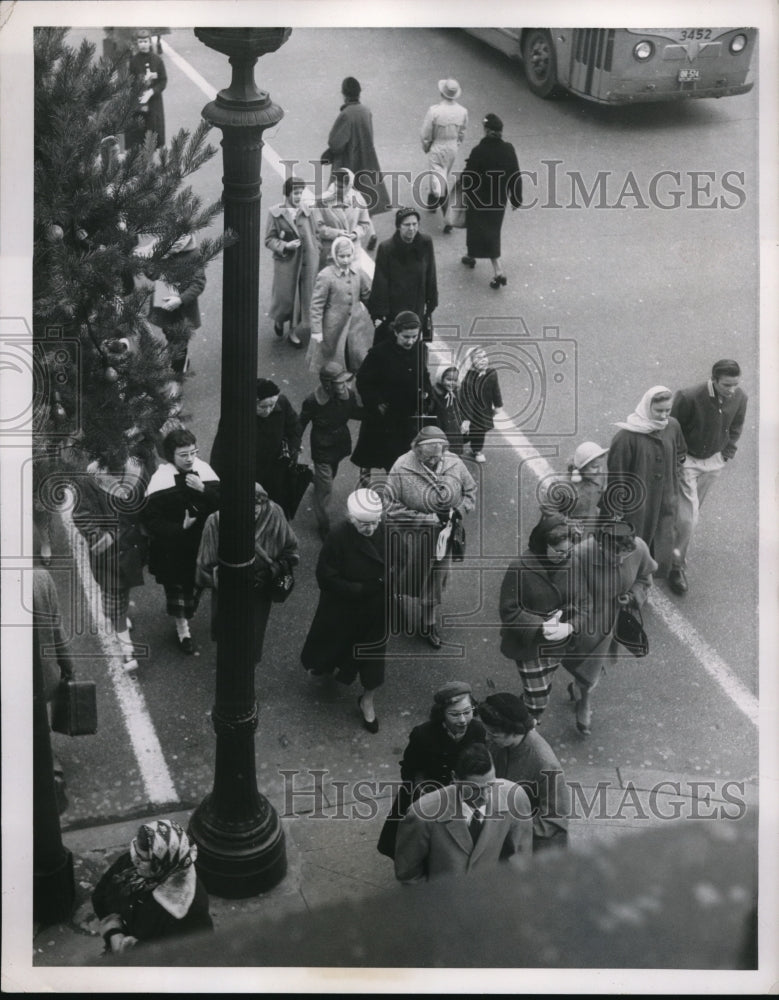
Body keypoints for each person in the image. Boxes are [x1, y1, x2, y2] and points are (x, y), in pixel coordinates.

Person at [300, 488, 387, 732]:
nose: (370, 528)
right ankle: (325, 665)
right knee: (333, 644)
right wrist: (359, 589)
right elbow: (325, 576)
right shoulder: (338, 536)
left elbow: (401, 559)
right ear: (351, 518)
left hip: (375, 608)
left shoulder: (385, 530)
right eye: (363, 524)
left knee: (372, 658)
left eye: (373, 523)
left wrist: (386, 581)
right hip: (343, 606)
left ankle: (367, 700)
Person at [385, 425, 477, 648]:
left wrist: (459, 511)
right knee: (404, 573)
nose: (434, 462)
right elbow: (389, 506)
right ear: (416, 451)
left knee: (435, 579)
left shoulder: (454, 462)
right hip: (411, 538)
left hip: (443, 538)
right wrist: (427, 519)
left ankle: (428, 623)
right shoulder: (401, 467)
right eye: (428, 458)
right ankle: (392, 598)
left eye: (438, 457)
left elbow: (470, 491)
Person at [563, 520, 657, 736]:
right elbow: (572, 594)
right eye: (614, 555)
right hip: (588, 619)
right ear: (600, 545)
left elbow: (644, 578)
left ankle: (581, 694)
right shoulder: (579, 556)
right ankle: (583, 697)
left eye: (625, 555)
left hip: (616, 616)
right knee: (586, 664)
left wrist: (633, 595)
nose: (620, 560)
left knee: (593, 667)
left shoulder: (639, 548)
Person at [376, 681, 487, 859]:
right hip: (426, 797)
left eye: (467, 712)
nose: (463, 720)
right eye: (455, 714)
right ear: (441, 713)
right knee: (415, 845)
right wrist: (422, 792)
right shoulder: (422, 734)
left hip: (462, 799)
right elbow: (409, 769)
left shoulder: (479, 731)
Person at [394, 743, 533, 883]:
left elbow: (521, 855)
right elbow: (408, 873)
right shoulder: (422, 813)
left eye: (490, 785)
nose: (484, 797)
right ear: (455, 778)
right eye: (475, 789)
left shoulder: (515, 797)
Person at [196, 483, 299, 665]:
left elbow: (291, 550)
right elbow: (206, 566)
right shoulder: (216, 521)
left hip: (260, 589)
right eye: (245, 507)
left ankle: (246, 673)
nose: (253, 511)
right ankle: (229, 666)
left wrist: (271, 571)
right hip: (228, 590)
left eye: (257, 506)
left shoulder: (275, 513)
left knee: (253, 637)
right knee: (228, 634)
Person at [669, 360, 748, 595]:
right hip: (689, 462)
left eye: (735, 384)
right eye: (726, 385)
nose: (732, 390)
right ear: (713, 379)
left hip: (714, 462)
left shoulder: (740, 397)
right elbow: (673, 427)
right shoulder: (689, 396)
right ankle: (676, 566)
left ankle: (667, 536)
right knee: (688, 519)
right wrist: (680, 458)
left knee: (690, 513)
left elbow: (736, 426)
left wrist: (726, 454)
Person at [142, 428, 220, 654]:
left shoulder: (204, 472)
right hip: (173, 549)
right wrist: (179, 527)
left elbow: (224, 503)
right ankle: (182, 629)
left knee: (197, 587)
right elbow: (151, 521)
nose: (190, 459)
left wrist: (204, 489)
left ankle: (185, 616)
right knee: (177, 590)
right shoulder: (160, 481)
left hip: (203, 545)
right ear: (170, 455)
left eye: (193, 452)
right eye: (183, 455)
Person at [498, 513, 578, 722]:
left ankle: (519, 711)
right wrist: (540, 625)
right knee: (539, 700)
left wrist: (568, 624)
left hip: (558, 641)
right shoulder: (519, 568)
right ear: (543, 546)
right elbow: (509, 610)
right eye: (559, 551)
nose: (565, 556)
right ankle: (525, 728)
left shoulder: (573, 564)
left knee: (541, 687)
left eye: (568, 551)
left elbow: (584, 602)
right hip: (528, 643)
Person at [71, 457, 149, 671]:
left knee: (124, 590)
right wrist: (103, 538)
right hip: (110, 553)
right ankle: (127, 649)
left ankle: (121, 617)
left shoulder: (136, 468)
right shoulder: (89, 480)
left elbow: (146, 502)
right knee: (114, 600)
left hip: (134, 546)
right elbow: (82, 515)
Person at [601, 385, 686, 577]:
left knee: (663, 539)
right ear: (647, 407)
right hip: (638, 504)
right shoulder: (626, 437)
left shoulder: (672, 426)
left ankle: (654, 574)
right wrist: (617, 510)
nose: (664, 416)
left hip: (665, 499)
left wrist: (672, 479)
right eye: (659, 411)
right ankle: (631, 583)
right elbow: (618, 477)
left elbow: (680, 451)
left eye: (668, 410)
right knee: (634, 544)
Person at [92, 818, 212, 954]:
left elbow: (184, 954)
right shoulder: (135, 861)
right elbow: (101, 895)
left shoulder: (188, 909)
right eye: (134, 848)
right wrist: (113, 932)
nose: (134, 860)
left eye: (142, 858)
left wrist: (129, 948)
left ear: (163, 862)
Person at [478, 692, 571, 851]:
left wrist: (509, 831)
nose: (487, 738)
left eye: (493, 734)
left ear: (514, 731)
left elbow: (554, 819)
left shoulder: (545, 763)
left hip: (534, 843)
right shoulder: (500, 744)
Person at [351, 311, 433, 480]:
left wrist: (426, 391)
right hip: (383, 413)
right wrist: (376, 402)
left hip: (406, 413)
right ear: (395, 332)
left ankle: (394, 484)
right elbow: (363, 381)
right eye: (405, 337)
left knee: (398, 454)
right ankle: (366, 470)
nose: (410, 341)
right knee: (373, 447)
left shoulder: (421, 349)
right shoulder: (379, 353)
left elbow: (424, 373)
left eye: (414, 336)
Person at [210, 379, 303, 517]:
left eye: (272, 405)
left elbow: (294, 427)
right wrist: (220, 482)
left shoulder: (282, 402)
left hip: (276, 468)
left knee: (277, 506)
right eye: (263, 406)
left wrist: (292, 448)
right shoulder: (233, 417)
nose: (269, 410)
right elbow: (221, 450)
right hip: (249, 473)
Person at [321, 76, 392, 249]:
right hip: (367, 159)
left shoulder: (346, 114)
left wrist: (329, 153)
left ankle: (346, 235)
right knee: (364, 198)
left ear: (344, 94)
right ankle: (372, 233)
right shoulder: (366, 111)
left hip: (348, 162)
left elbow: (336, 143)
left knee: (342, 199)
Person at [299, 362, 363, 539]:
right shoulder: (312, 401)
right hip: (322, 445)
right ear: (328, 384)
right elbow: (301, 422)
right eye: (340, 383)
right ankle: (324, 524)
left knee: (330, 474)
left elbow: (356, 412)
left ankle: (316, 480)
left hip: (340, 442)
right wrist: (294, 443)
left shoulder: (347, 395)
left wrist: (376, 411)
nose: (345, 386)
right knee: (326, 487)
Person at [461, 113, 522, 288]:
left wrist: (465, 189)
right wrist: (516, 198)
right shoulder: (508, 149)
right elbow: (515, 175)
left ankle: (498, 270)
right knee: (492, 231)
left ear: (486, 130)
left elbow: (469, 177)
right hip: (498, 200)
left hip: (478, 200)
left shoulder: (478, 151)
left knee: (477, 229)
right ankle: (471, 255)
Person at [368, 207, 438, 344]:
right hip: (395, 310)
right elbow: (380, 282)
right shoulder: (386, 248)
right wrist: (379, 314)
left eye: (415, 224)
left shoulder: (425, 242)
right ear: (398, 226)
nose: (411, 228)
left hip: (416, 307)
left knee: (414, 344)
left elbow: (431, 273)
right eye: (407, 225)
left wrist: (431, 302)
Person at [264, 175, 319, 346]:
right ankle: (279, 320)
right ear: (287, 193)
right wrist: (285, 245)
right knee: (285, 298)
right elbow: (269, 240)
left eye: (300, 193)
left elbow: (315, 233)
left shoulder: (307, 211)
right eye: (295, 192)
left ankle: (292, 331)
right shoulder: (275, 213)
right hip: (287, 263)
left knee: (302, 297)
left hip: (307, 261)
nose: (298, 196)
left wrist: (316, 250)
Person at [308, 235, 374, 375]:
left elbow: (367, 295)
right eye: (341, 256)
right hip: (333, 326)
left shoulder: (358, 273)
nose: (346, 260)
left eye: (348, 255)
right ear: (334, 256)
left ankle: (351, 377)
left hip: (355, 324)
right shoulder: (325, 276)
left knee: (356, 354)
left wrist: (377, 314)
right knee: (333, 360)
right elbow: (316, 306)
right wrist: (317, 330)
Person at [147, 233, 206, 376]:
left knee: (180, 341)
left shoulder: (193, 254)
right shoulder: (164, 252)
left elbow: (198, 283)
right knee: (169, 333)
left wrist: (180, 299)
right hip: (164, 303)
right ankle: (178, 360)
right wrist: (153, 261)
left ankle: (178, 372)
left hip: (183, 309)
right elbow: (152, 275)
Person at [420, 78, 468, 232]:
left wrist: (426, 145)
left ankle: (448, 218)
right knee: (442, 175)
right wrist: (456, 144)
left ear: (442, 92)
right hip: (452, 147)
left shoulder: (434, 111)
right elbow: (462, 132)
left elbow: (426, 133)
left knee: (438, 181)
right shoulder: (462, 111)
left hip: (438, 146)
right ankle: (431, 202)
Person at [539, 441, 610, 531]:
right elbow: (547, 508)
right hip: (565, 530)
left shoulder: (600, 477)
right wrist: (567, 522)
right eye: (595, 467)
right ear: (582, 466)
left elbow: (601, 499)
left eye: (601, 466)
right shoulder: (561, 484)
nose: (600, 470)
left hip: (589, 526)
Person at [314, 167, 371, 271]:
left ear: (349, 187)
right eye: (336, 185)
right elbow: (317, 227)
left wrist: (355, 233)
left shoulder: (358, 198)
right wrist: (337, 233)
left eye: (341, 187)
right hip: (331, 252)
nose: (337, 189)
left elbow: (365, 223)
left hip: (353, 252)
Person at [125, 28, 167, 151]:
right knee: (138, 135)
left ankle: (149, 163)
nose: (143, 44)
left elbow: (163, 81)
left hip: (154, 104)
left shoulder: (157, 61)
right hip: (139, 103)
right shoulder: (133, 61)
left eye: (145, 41)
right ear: (137, 44)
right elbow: (130, 81)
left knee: (152, 135)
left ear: (150, 42)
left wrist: (151, 91)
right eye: (140, 42)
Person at [459, 346, 503, 463]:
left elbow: (496, 390)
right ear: (471, 362)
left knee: (481, 430)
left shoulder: (491, 373)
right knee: (466, 432)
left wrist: (498, 405)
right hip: (470, 411)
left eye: (484, 356)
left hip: (484, 410)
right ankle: (455, 445)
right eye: (478, 358)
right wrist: (466, 419)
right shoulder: (468, 380)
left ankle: (477, 450)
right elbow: (466, 401)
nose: (483, 360)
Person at [427, 365, 466, 455]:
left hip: (453, 430)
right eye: (449, 379)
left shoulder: (455, 392)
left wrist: (464, 421)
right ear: (441, 378)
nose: (452, 383)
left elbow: (460, 408)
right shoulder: (434, 393)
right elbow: (429, 409)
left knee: (454, 451)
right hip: (439, 428)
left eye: (455, 380)